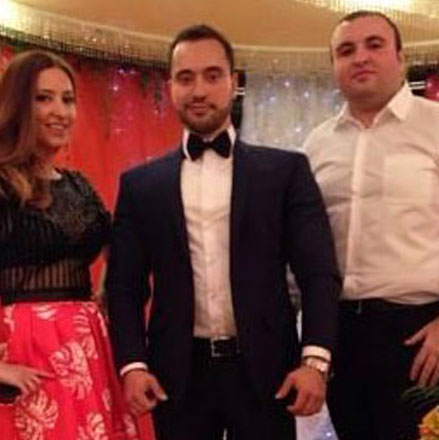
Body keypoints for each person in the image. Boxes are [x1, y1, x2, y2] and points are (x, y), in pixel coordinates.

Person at [105, 24, 340, 440]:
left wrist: (315, 361)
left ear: (234, 81)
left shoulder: (285, 172)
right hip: (176, 377)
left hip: (267, 371)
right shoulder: (140, 185)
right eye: (185, 78)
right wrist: (133, 365)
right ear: (171, 87)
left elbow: (318, 272)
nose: (198, 90)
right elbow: (124, 287)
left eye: (212, 76)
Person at [303, 10, 439, 440]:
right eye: (346, 50)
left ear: (401, 57)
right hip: (341, 333)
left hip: (424, 333)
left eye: (374, 45)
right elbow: (305, 244)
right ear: (334, 66)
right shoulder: (317, 144)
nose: (360, 57)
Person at [0, 50, 138, 440]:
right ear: (18, 106)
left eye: (67, 99)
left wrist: (100, 299)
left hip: (87, 344)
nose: (60, 111)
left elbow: (118, 246)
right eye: (43, 98)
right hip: (31, 347)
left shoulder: (78, 185)